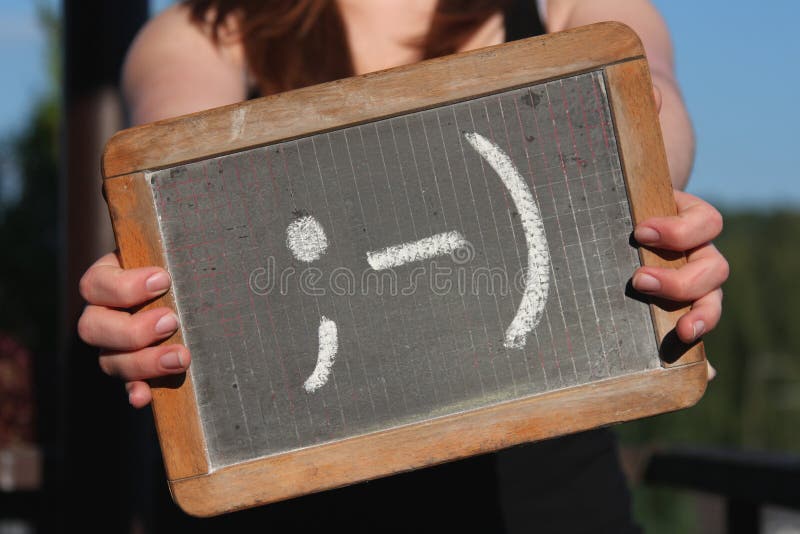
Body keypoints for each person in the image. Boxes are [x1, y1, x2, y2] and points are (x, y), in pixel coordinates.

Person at [77, 0, 729, 531]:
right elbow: (179, 173)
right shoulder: (205, 33)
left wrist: (654, 209)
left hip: (546, 511)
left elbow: (646, 103)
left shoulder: (569, 7)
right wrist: (158, 272)